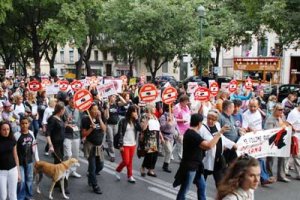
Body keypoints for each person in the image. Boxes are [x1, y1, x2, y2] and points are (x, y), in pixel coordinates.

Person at [174, 113, 228, 200]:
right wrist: (219, 133)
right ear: (199, 123)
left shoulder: (193, 133)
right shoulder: (193, 134)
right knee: (184, 190)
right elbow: (209, 145)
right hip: (190, 167)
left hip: (197, 166)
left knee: (202, 186)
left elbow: (202, 148)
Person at [200, 110, 236, 187]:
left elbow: (221, 138)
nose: (210, 121)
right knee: (201, 184)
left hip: (217, 158)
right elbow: (209, 143)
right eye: (209, 118)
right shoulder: (202, 128)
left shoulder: (217, 125)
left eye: (213, 119)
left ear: (216, 120)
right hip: (206, 159)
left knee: (220, 183)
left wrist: (232, 144)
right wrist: (220, 132)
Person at [82, 103, 107, 194]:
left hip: (99, 146)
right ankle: (95, 185)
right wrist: (91, 128)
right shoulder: (85, 119)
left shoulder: (101, 117)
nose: (96, 111)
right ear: (89, 110)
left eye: (97, 109)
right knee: (92, 167)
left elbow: (104, 129)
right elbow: (84, 134)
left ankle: (91, 177)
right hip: (90, 146)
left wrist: (99, 119)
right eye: (94, 109)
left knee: (100, 165)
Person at [46, 102, 69, 193]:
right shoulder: (52, 119)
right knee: (62, 165)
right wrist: (50, 145)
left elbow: (62, 128)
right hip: (55, 145)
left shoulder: (60, 118)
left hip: (61, 144)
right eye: (64, 110)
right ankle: (63, 186)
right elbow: (47, 133)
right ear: (61, 110)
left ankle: (56, 183)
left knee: (58, 164)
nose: (64, 112)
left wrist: (67, 122)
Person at [15, 117, 39, 200]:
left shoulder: (31, 133)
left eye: (26, 123)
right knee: (21, 181)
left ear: (29, 124)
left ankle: (28, 196)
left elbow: (34, 146)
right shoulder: (16, 135)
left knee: (29, 179)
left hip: (29, 161)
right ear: (20, 124)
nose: (24, 125)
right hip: (20, 162)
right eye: (22, 123)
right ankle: (20, 197)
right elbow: (13, 150)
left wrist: (37, 160)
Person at [265, 103, 290, 182]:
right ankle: (269, 175)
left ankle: (281, 175)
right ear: (275, 110)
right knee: (270, 159)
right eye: (279, 110)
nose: (281, 111)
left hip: (280, 140)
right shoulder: (270, 119)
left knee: (282, 157)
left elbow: (285, 125)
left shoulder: (282, 117)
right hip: (272, 141)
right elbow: (269, 131)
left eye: (282, 110)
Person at [115, 105, 140, 183]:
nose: (135, 113)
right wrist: (120, 145)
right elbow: (120, 133)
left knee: (130, 161)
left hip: (132, 143)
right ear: (130, 112)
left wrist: (137, 120)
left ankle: (130, 176)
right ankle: (118, 170)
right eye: (134, 111)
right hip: (125, 144)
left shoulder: (135, 121)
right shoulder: (123, 121)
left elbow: (140, 129)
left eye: (136, 111)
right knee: (126, 161)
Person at [139, 104, 163, 177]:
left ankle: (151, 170)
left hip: (156, 137)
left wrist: (161, 137)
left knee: (155, 155)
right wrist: (147, 119)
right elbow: (143, 128)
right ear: (150, 108)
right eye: (153, 107)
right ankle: (143, 167)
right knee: (149, 154)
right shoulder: (144, 116)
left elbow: (158, 128)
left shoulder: (155, 117)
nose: (155, 108)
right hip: (149, 137)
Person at [0, 121, 21, 200]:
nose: (6, 131)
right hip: (1, 172)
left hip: (13, 170)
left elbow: (16, 156)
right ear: (0, 130)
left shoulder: (12, 140)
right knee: (3, 196)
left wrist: (19, 173)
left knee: (13, 195)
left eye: (8, 129)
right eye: (4, 129)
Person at [64, 96, 82, 178]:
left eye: (75, 102)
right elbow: (62, 122)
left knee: (75, 155)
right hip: (67, 135)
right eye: (72, 102)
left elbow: (80, 122)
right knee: (68, 154)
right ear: (69, 102)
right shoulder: (64, 109)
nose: (73, 104)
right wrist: (67, 124)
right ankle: (65, 170)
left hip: (76, 135)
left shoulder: (79, 110)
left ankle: (73, 171)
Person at [159, 103, 177, 173]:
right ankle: (165, 166)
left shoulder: (173, 116)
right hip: (165, 136)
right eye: (173, 107)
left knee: (169, 152)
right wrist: (167, 122)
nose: (174, 108)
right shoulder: (163, 116)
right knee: (169, 151)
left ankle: (166, 164)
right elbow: (162, 127)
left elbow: (174, 126)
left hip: (171, 136)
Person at [173, 95, 191, 160]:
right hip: (179, 127)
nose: (187, 103)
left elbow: (189, 114)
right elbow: (174, 119)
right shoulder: (176, 107)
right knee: (181, 142)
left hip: (186, 126)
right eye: (186, 101)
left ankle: (171, 152)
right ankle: (181, 157)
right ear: (182, 101)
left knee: (179, 142)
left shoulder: (186, 106)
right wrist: (182, 120)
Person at [286, 104, 300, 180]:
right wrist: (296, 130)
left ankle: (285, 169)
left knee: (291, 154)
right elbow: (288, 124)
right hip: (295, 135)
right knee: (297, 155)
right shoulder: (294, 113)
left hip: (298, 135)